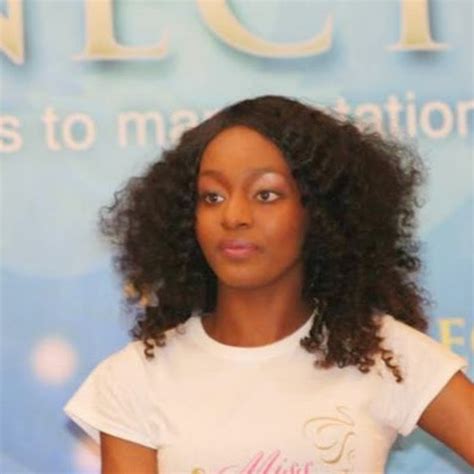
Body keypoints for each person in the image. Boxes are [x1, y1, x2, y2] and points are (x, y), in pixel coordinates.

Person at [64, 96, 473, 473]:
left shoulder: (383, 353)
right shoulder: (136, 378)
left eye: (265, 195)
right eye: (212, 197)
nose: (233, 216)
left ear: (319, 212)